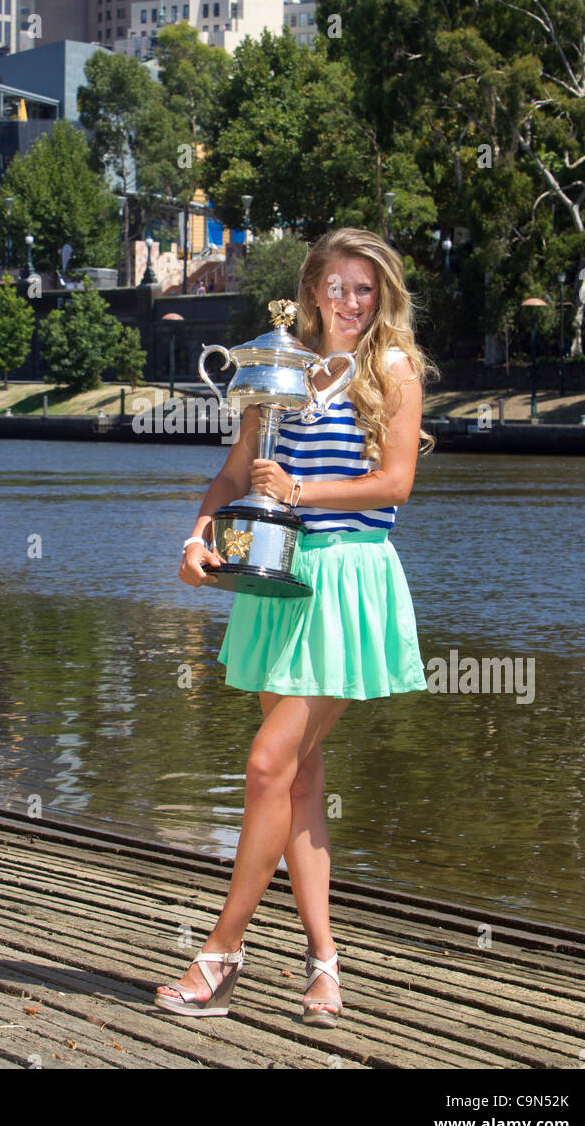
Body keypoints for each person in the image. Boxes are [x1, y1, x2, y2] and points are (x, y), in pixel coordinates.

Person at [157, 227, 438, 1025]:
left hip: (349, 580)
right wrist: (197, 537)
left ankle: (222, 953)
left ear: (382, 296)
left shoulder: (392, 368)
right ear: (312, 288)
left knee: (264, 765)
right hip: (278, 578)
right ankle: (325, 966)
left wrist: (300, 489)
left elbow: (396, 482)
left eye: (366, 289)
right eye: (338, 286)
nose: (352, 302)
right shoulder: (278, 367)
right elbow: (238, 472)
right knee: (299, 779)